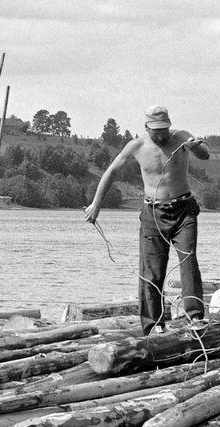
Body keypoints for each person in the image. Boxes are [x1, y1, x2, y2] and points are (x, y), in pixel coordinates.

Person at [84, 105, 211, 335]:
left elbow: (205, 154)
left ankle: (195, 317)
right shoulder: (137, 146)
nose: (162, 135)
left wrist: (196, 147)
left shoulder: (181, 137)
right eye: (157, 131)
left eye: (164, 129)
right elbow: (111, 172)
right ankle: (154, 324)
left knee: (188, 260)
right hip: (153, 213)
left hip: (184, 210)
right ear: (146, 127)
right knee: (151, 270)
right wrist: (96, 204)